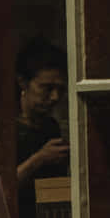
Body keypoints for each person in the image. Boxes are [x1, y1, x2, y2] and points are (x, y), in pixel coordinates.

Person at [13, 42, 70, 184]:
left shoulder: (50, 126)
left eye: (60, 89)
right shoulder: (5, 129)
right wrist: (40, 159)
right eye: (47, 88)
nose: (55, 97)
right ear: (23, 82)